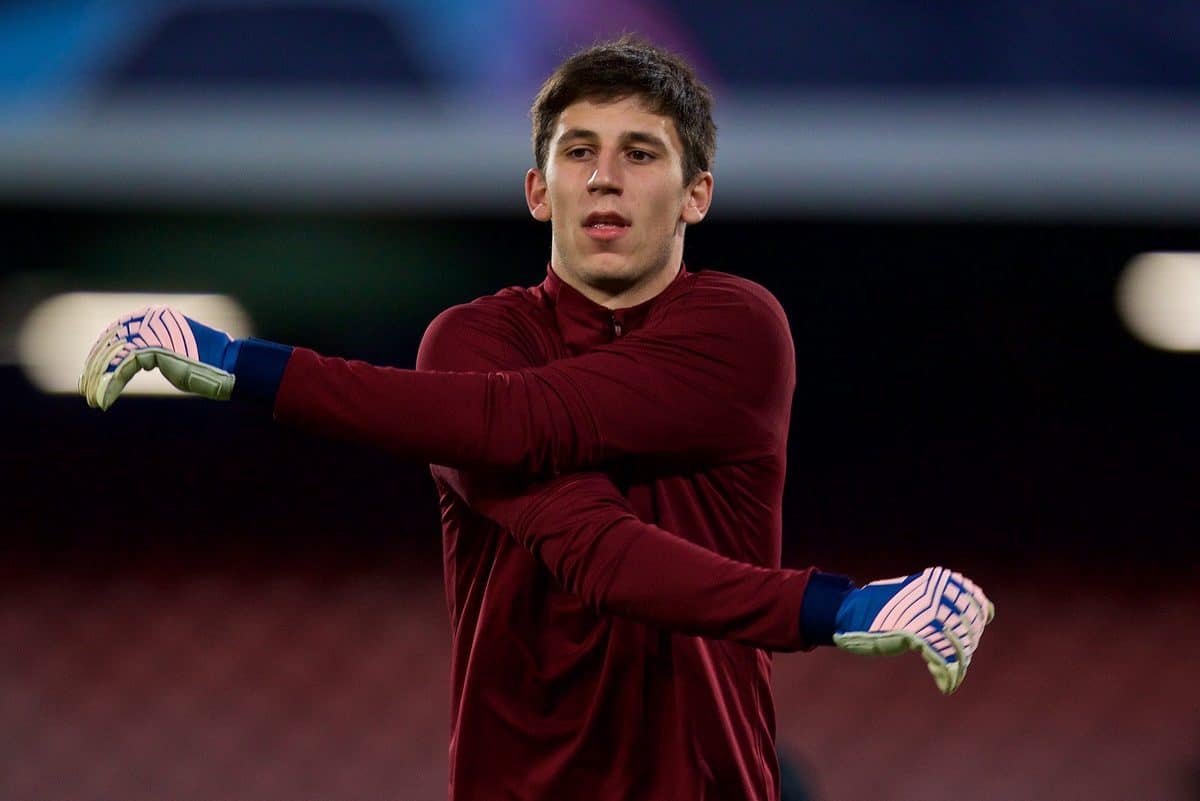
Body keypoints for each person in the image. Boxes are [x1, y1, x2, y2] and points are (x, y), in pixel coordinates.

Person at [79, 37, 993, 801]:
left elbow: (533, 427)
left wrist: (245, 368)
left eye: (641, 154)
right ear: (537, 189)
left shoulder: (737, 328)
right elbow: (587, 536)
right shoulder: (471, 342)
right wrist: (836, 606)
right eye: (578, 151)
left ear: (696, 195)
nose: (606, 178)